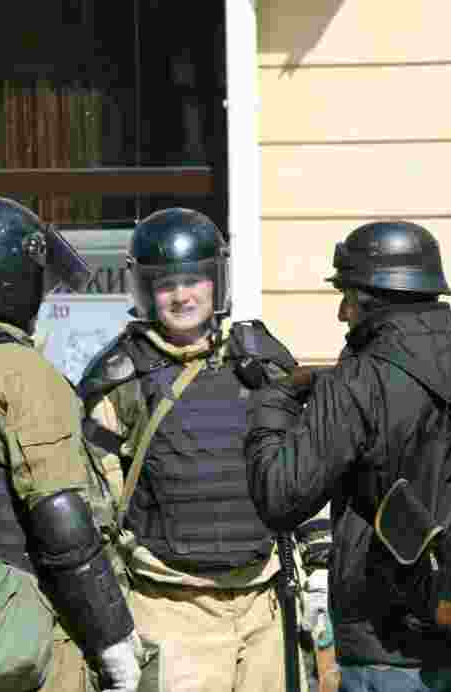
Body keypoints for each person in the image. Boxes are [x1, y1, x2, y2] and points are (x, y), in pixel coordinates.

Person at [244, 220, 451, 692]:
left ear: (370, 299)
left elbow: (280, 498)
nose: (343, 313)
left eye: (346, 296)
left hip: (390, 651)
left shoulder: (357, 382)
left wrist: (271, 407)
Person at [77, 207, 332, 692]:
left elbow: (301, 466)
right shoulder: (119, 381)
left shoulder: (262, 361)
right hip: (172, 608)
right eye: (167, 284)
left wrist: (319, 563)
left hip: (264, 602)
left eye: (194, 280)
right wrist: (109, 627)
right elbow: (96, 509)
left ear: (217, 282)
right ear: (146, 291)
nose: (181, 296)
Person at [0, 196, 141, 692]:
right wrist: (114, 640)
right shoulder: (15, 370)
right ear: (10, 279)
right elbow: (61, 520)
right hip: (12, 639)